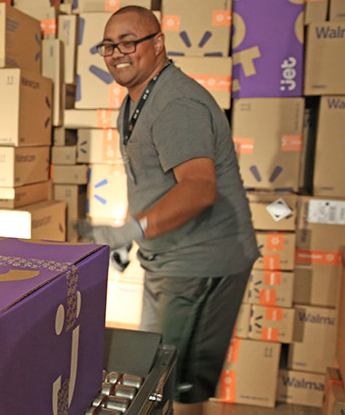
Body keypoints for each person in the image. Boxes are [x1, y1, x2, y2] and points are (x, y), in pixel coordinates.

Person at [75, 6, 260, 415]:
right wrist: (131, 232)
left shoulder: (177, 103)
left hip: (202, 263)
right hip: (169, 259)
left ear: (158, 43)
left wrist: (132, 232)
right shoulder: (137, 100)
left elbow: (198, 189)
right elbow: (151, 182)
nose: (117, 52)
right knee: (153, 370)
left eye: (128, 42)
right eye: (108, 45)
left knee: (176, 384)